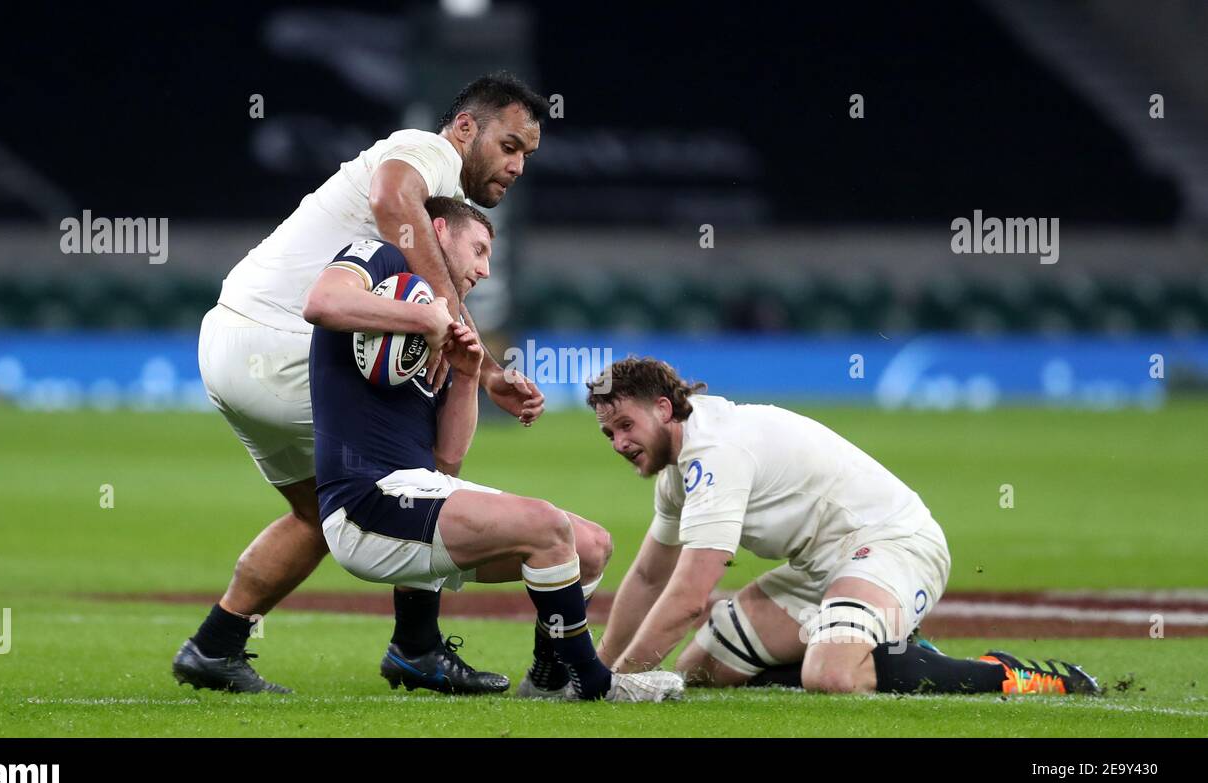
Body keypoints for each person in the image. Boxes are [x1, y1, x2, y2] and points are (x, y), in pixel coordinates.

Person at [174, 72, 548, 694]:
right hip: (284, 339)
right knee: (425, 459)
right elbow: (391, 200)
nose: (516, 166)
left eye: (526, 156)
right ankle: (417, 645)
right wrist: (450, 325)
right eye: (509, 146)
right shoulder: (427, 154)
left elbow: (430, 307)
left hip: (227, 346)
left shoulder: (434, 186)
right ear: (464, 128)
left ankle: (217, 644)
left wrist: (481, 370)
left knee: (315, 512)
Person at [306, 202, 683, 702]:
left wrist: (467, 375)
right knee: (546, 526)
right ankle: (594, 683)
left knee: (590, 546)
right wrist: (428, 319)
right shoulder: (383, 257)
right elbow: (321, 301)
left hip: (414, 494)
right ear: (437, 231)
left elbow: (446, 464)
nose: (484, 268)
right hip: (364, 504)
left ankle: (547, 683)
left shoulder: (443, 327)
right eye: (478, 249)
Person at [584, 356, 1099, 696]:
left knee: (830, 675)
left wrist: (619, 682)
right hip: (820, 570)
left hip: (892, 545)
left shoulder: (714, 456)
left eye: (626, 425)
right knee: (703, 672)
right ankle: (895, 656)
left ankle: (1013, 676)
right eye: (609, 433)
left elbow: (689, 597)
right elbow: (650, 577)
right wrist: (597, 667)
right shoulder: (679, 467)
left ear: (664, 407)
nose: (619, 443)